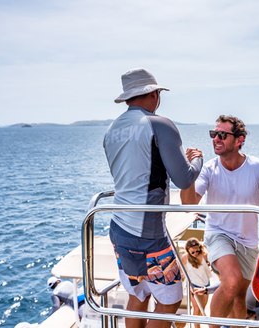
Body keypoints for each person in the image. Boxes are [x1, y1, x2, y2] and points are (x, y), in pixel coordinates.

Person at [103, 68, 203, 328]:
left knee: (139, 293)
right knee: (170, 299)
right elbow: (184, 179)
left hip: (119, 229)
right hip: (147, 233)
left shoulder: (111, 130)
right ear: (153, 94)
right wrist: (197, 159)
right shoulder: (159, 124)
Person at [180, 115, 259, 326]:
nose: (216, 139)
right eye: (214, 134)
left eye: (222, 135)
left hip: (248, 243)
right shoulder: (209, 169)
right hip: (218, 234)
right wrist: (189, 172)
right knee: (231, 281)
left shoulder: (258, 168)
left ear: (239, 140)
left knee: (239, 296)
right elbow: (188, 204)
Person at [181, 238, 212, 328]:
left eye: (197, 251)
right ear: (188, 251)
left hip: (205, 285)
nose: (195, 254)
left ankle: (195, 323)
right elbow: (182, 272)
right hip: (193, 285)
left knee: (202, 309)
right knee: (197, 308)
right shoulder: (185, 258)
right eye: (192, 252)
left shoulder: (204, 255)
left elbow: (210, 266)